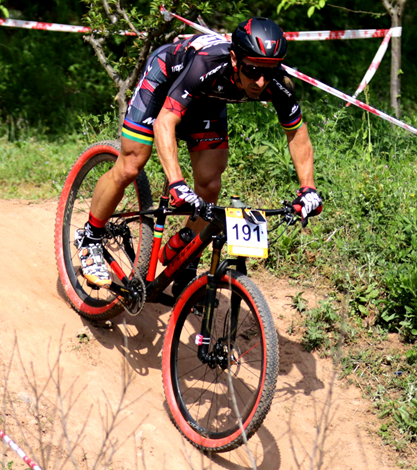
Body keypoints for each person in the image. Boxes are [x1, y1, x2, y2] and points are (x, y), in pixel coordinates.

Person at [76, 16, 324, 287]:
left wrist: (308, 188)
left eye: (269, 71)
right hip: (166, 80)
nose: (261, 81)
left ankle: (185, 256)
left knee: (209, 184)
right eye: (252, 70)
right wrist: (176, 183)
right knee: (131, 164)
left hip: (207, 99)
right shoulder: (207, 64)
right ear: (234, 59)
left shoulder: (278, 82)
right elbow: (164, 122)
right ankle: (90, 238)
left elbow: (296, 133)